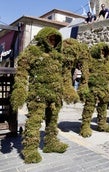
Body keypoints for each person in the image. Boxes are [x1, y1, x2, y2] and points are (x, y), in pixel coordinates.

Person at [10, 27, 78, 163]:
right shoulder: (33, 52)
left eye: (55, 39)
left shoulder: (59, 56)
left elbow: (65, 76)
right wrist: (20, 89)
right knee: (34, 123)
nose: (53, 42)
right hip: (38, 96)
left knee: (52, 122)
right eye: (50, 39)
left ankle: (51, 143)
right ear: (43, 39)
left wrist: (69, 90)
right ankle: (30, 149)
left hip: (55, 97)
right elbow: (22, 72)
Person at [79, 42, 109, 137]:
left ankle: (102, 124)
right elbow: (85, 74)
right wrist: (83, 86)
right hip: (92, 88)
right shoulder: (91, 59)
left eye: (104, 51)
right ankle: (85, 126)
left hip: (105, 89)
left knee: (103, 107)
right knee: (89, 107)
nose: (102, 53)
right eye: (101, 51)